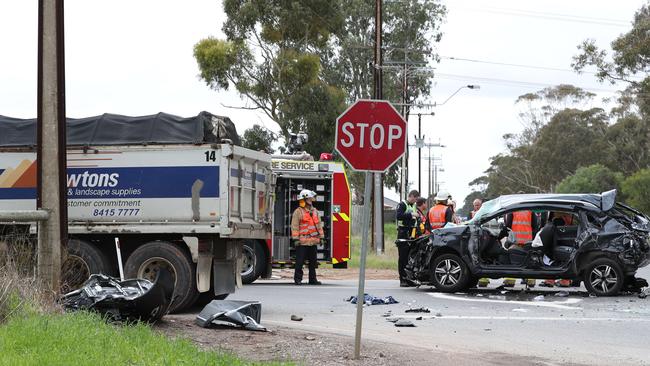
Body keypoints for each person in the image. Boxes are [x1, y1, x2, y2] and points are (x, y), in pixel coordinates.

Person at [291, 189, 324, 285]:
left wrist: (321, 237)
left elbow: (319, 226)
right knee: (299, 262)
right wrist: (296, 239)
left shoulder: (315, 211)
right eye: (309, 198)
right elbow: (294, 226)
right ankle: (298, 279)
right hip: (302, 241)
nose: (311, 199)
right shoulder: (298, 212)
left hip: (313, 241)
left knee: (313, 263)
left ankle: (312, 279)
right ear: (305, 199)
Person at [502, 210, 540, 287]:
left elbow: (508, 226)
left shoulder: (513, 211)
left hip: (515, 241)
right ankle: (530, 280)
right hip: (527, 241)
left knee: (513, 261)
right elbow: (535, 227)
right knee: (528, 260)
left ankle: (510, 280)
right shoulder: (530, 212)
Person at [395, 190, 420, 287]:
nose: (416, 201)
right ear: (412, 196)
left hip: (411, 233)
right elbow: (399, 216)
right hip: (403, 233)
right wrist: (411, 215)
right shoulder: (402, 204)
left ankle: (409, 279)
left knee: (410, 258)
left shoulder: (413, 206)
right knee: (403, 258)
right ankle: (402, 280)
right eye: (416, 199)